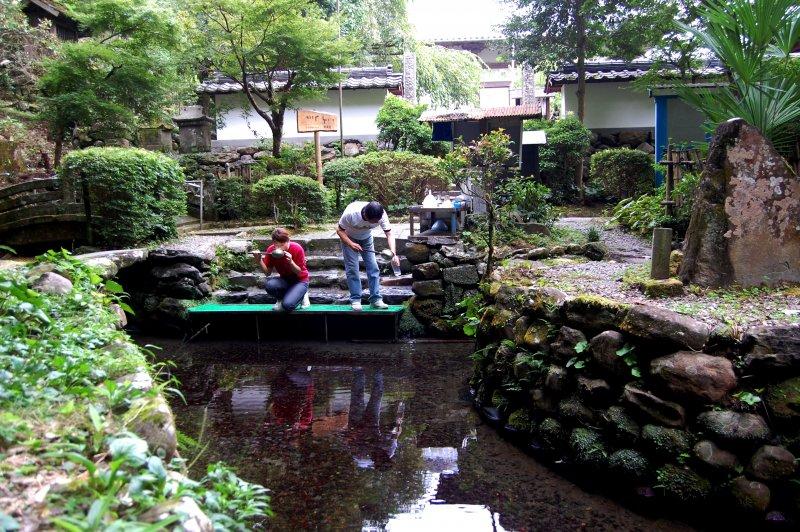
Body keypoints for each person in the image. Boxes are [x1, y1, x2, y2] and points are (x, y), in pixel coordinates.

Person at [336, 200, 400, 311]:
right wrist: (351, 244)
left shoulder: (381, 215)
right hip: (349, 238)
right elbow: (339, 230)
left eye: (376, 221)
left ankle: (375, 299)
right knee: (352, 269)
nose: (375, 223)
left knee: (373, 267)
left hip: (366, 239)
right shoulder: (351, 213)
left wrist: (393, 254)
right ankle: (355, 300)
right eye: (372, 221)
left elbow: (389, 234)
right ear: (365, 214)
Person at [256, 227, 310, 311]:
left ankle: (302, 295)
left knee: (288, 306)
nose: (279, 247)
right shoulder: (271, 250)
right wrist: (259, 260)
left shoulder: (297, 248)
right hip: (285, 280)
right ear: (273, 242)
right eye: (277, 244)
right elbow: (267, 273)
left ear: (288, 241)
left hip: (300, 280)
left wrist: (291, 262)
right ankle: (281, 299)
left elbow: (299, 272)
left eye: (282, 244)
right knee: (270, 285)